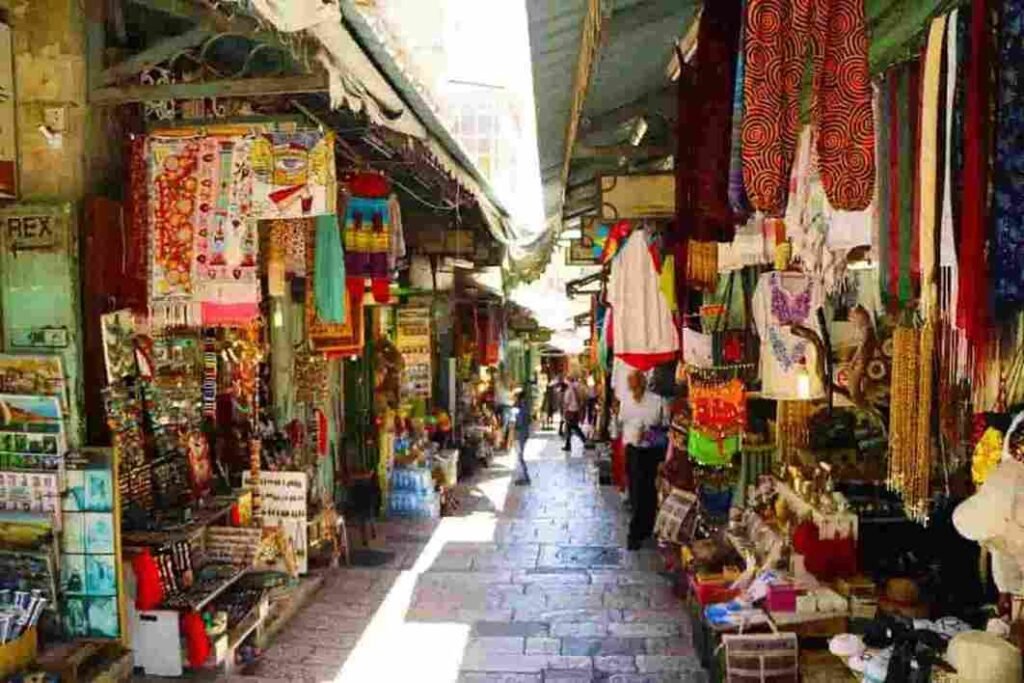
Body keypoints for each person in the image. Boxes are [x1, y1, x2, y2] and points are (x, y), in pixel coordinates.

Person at [620, 369, 666, 550]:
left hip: (635, 450)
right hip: (651, 451)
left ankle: (636, 532)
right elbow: (662, 421)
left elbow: (621, 420)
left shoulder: (626, 401)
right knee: (649, 490)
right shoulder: (656, 400)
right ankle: (644, 528)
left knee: (636, 491)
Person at [562, 376, 587, 452]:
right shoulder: (573, 389)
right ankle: (568, 445)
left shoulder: (568, 391)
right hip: (575, 411)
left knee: (573, 428)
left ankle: (584, 440)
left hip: (571, 412)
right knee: (571, 428)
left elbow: (566, 403)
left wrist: (564, 412)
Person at [512, 389, 532, 485]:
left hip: (519, 433)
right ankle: (524, 475)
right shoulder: (526, 406)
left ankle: (524, 477)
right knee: (520, 454)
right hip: (524, 432)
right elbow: (529, 420)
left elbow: (516, 421)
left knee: (519, 455)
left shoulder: (518, 406)